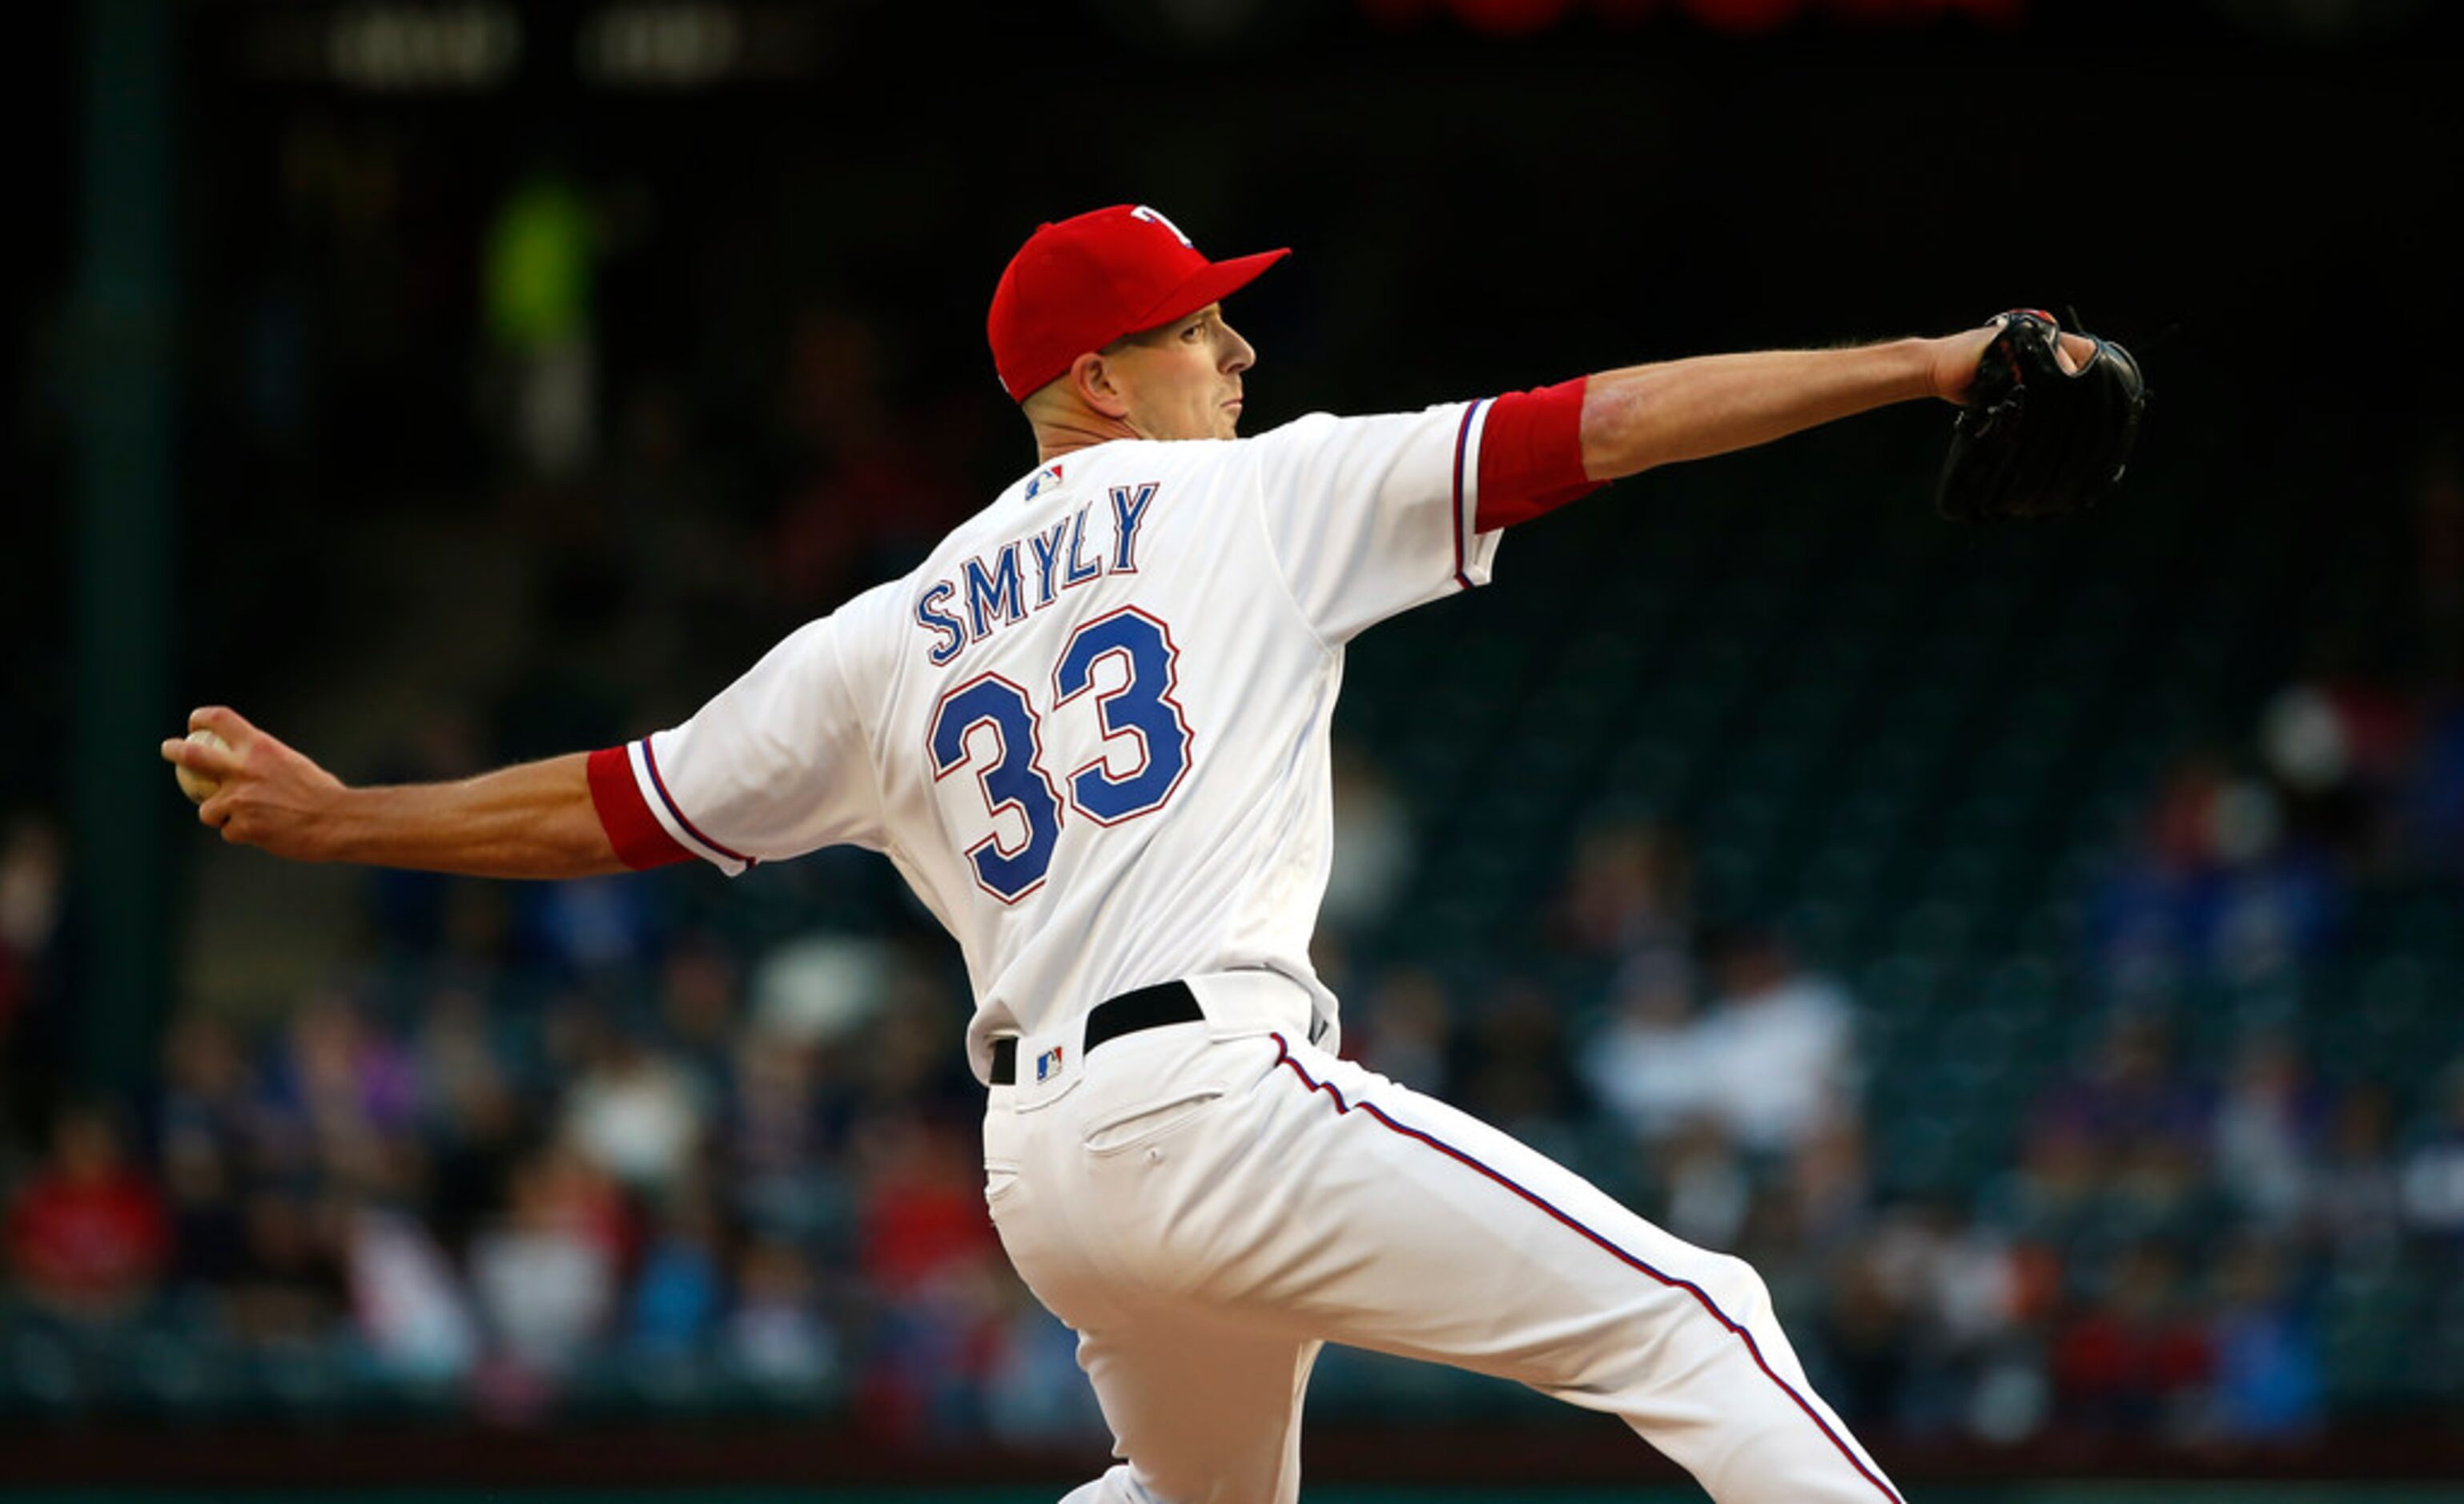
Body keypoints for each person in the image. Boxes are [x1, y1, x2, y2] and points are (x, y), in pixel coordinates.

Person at [166, 203, 2091, 1503]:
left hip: (1050, 1167)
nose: (1241, 348)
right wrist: (1919, 361)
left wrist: (342, 819)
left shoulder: (888, 632)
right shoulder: (1254, 498)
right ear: (1100, 381)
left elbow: (622, 800)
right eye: (1199, 325)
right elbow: (1600, 429)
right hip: (1215, 1106)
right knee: (1701, 1319)